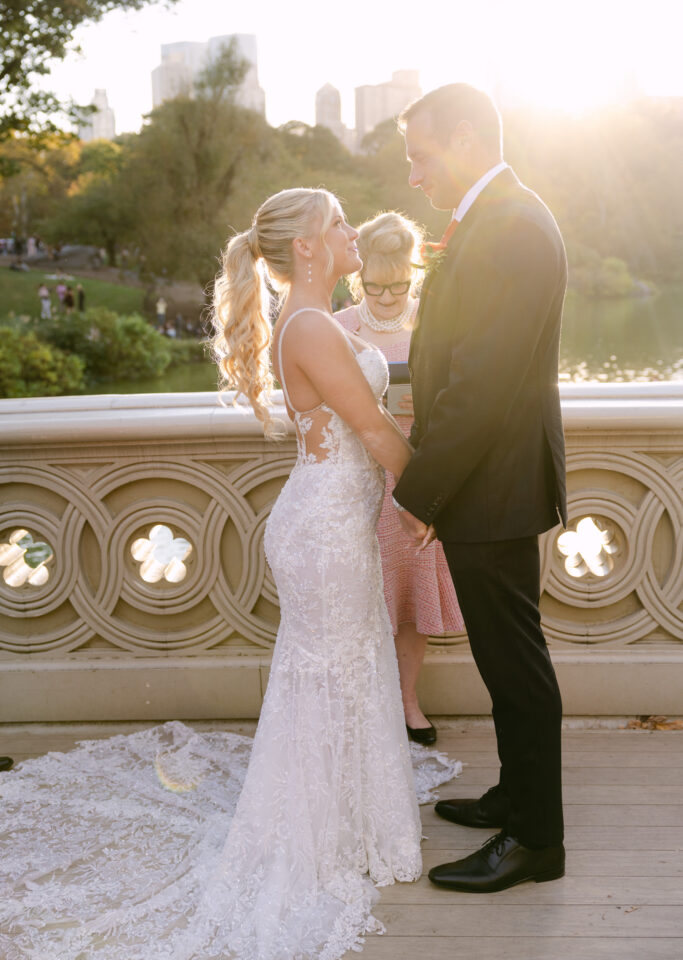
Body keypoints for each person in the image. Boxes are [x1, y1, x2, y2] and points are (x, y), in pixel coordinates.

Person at [0, 188, 459, 960]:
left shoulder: (315, 319)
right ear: (307, 247)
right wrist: (435, 503)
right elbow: (374, 428)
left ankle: (345, 825)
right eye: (337, 223)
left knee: (350, 668)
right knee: (330, 673)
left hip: (338, 522)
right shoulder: (310, 326)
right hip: (323, 530)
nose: (351, 231)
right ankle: (309, 839)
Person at [393, 84, 568, 893]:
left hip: (493, 484)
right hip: (486, 479)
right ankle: (514, 795)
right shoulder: (495, 217)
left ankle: (535, 840)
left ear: (465, 138)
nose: (413, 175)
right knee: (503, 661)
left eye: (420, 156)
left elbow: (483, 384)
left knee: (514, 664)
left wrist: (419, 492)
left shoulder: (513, 225)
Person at [335, 212, 463, 744]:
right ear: (358, 277)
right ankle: (363, 703)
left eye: (399, 285)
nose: (387, 297)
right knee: (360, 595)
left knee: (408, 596)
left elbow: (461, 393)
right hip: (359, 475)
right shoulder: (339, 327)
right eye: (375, 286)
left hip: (416, 477)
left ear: (414, 273)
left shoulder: (434, 319)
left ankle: (408, 701)